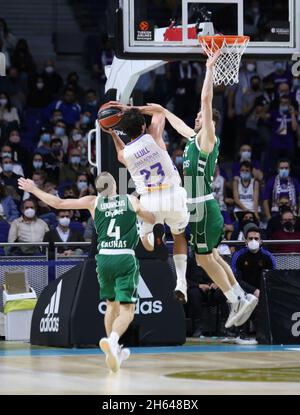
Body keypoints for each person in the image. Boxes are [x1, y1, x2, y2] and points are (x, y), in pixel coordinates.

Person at [152, 51, 258, 328]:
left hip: (202, 206)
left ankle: (236, 298)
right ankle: (241, 297)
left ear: (210, 123)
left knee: (202, 258)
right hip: (200, 207)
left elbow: (206, 100)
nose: (198, 118)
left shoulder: (207, 139)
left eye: (201, 117)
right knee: (209, 256)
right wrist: (162, 112)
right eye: (198, 118)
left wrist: (210, 69)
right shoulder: (193, 140)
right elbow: (180, 126)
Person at [18, 172, 155, 372]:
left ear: (98, 189)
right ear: (115, 186)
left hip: (104, 258)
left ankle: (113, 351)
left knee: (111, 305)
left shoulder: (93, 202)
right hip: (124, 256)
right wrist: (147, 217)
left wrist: (33, 189)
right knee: (127, 310)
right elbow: (150, 217)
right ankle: (114, 339)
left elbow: (58, 203)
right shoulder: (130, 200)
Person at [101, 105, 190, 304]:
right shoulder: (154, 137)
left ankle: (155, 236)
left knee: (146, 244)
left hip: (149, 199)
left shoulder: (126, 154)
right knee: (179, 236)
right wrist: (130, 108)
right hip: (173, 193)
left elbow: (119, 153)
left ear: (124, 130)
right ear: (143, 125)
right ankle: (181, 282)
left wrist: (113, 133)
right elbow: (159, 112)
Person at [231, 224, 276, 343]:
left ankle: (263, 332)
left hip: (263, 292)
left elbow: (273, 279)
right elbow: (235, 280)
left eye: (256, 239)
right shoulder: (238, 256)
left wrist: (262, 291)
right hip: (243, 291)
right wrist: (253, 291)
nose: (253, 241)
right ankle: (241, 333)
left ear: (261, 241)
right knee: (243, 299)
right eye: (250, 238)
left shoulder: (268, 257)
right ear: (245, 241)